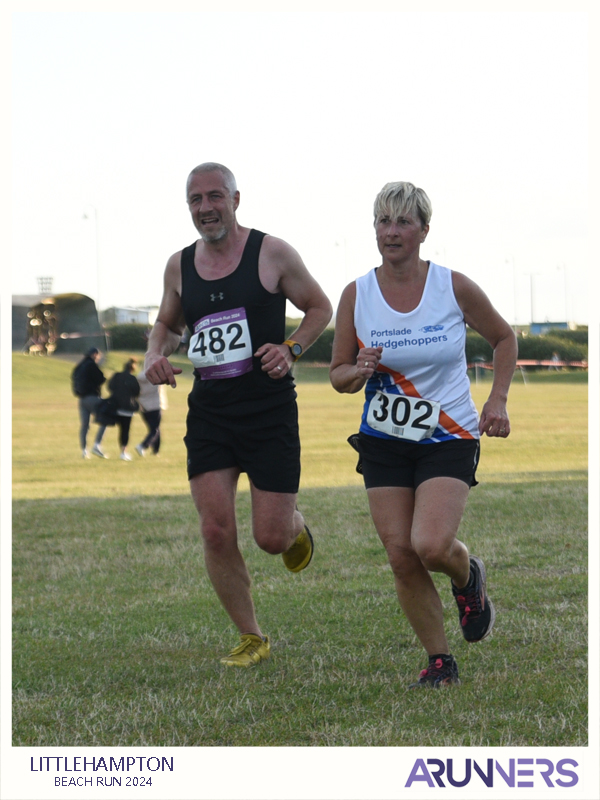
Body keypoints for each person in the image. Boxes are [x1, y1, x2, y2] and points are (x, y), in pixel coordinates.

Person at [329, 181, 517, 688]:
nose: (391, 232)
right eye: (383, 222)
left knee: (431, 545)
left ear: (423, 230)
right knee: (400, 554)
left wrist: (496, 399)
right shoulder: (357, 294)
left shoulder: (451, 286)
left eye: (402, 222)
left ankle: (466, 574)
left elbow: (504, 337)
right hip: (385, 438)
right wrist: (359, 370)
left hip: (449, 432)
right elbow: (338, 376)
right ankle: (440, 661)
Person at [144, 162, 332, 667]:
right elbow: (166, 322)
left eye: (214, 197)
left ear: (235, 199)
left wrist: (291, 348)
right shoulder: (178, 265)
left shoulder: (271, 253)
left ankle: (294, 525)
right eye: (195, 200)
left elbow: (319, 306)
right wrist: (153, 356)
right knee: (214, 530)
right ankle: (252, 636)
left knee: (270, 538)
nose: (206, 208)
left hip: (269, 412)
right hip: (210, 413)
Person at [73, 347, 109, 459]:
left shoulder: (79, 366)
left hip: (81, 399)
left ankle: (84, 451)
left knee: (85, 425)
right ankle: (97, 445)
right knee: (105, 418)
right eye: (98, 356)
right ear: (95, 354)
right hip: (93, 397)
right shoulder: (92, 365)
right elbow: (101, 379)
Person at [107, 358, 140, 461]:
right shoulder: (133, 379)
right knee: (125, 430)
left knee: (106, 426)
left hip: (115, 406)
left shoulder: (116, 376)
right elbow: (137, 392)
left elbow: (110, 387)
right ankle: (123, 451)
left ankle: (97, 445)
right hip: (127, 409)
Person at [135, 370, 167, 456]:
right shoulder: (157, 376)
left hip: (143, 405)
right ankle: (143, 446)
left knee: (154, 428)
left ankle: (156, 451)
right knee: (155, 430)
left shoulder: (139, 377)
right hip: (155, 405)